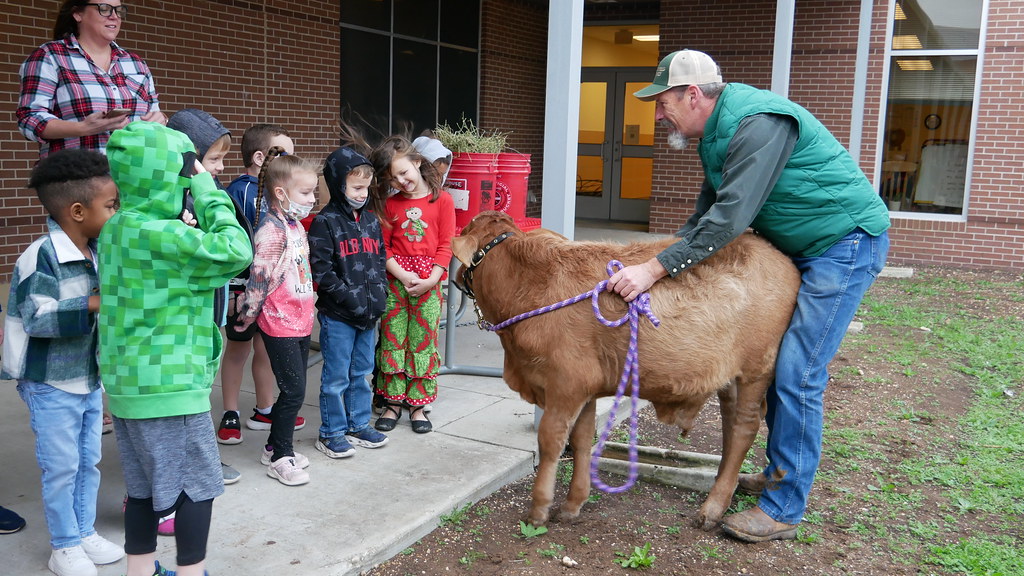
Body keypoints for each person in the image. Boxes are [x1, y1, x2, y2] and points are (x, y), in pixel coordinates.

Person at [608, 50, 891, 542]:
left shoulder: (758, 124)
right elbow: (704, 215)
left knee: (798, 372)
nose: (658, 114)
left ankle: (783, 507)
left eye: (664, 102)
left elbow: (729, 220)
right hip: (801, 245)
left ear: (693, 95)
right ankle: (783, 473)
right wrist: (659, 258)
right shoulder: (714, 133)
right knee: (783, 366)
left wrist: (654, 270)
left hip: (844, 244)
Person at [99, 121, 252, 576]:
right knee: (196, 486)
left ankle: (140, 569)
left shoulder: (117, 229)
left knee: (143, 488)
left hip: (128, 385)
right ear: (176, 176)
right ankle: (191, 572)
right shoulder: (170, 237)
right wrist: (207, 191)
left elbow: (174, 271)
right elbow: (235, 249)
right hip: (171, 384)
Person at [2, 148, 124, 576]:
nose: (116, 212)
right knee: (61, 466)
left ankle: (84, 531)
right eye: (111, 205)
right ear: (77, 210)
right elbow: (37, 317)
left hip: (87, 378)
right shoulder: (42, 255)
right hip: (50, 383)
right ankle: (64, 545)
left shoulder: (96, 250)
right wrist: (93, 303)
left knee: (87, 459)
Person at [235, 147, 319, 486]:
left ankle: (274, 446)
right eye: (306, 192)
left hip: (300, 318)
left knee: (294, 389)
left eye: (314, 191)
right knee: (295, 390)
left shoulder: (295, 225)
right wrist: (245, 317)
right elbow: (259, 278)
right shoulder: (271, 231)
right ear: (281, 193)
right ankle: (281, 456)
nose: (312, 198)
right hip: (279, 321)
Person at [220, 124, 305, 443]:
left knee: (265, 349)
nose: (291, 160)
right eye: (284, 153)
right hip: (244, 288)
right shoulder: (242, 191)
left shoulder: (275, 194)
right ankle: (230, 412)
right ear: (259, 157)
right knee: (238, 349)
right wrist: (231, 289)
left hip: (272, 289)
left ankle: (265, 408)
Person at [370, 136, 456, 434]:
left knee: (422, 342)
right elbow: (384, 249)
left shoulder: (441, 200)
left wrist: (432, 279)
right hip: (396, 282)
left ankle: (418, 404)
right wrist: (403, 276)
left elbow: (446, 245)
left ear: (417, 162)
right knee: (393, 340)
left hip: (429, 282)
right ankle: (393, 402)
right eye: (393, 177)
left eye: (404, 172)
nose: (401, 180)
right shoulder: (390, 204)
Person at [308, 147, 390, 458]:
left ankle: (358, 425)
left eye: (366, 187)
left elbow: (379, 259)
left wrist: (379, 295)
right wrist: (351, 299)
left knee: (362, 373)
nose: (363, 193)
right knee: (336, 377)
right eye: (356, 187)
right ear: (338, 184)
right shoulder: (324, 222)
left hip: (368, 314)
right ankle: (331, 432)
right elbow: (322, 271)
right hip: (339, 315)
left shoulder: (370, 220)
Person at [17, 0, 167, 159]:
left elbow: (154, 112)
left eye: (119, 10)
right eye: (105, 9)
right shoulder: (50, 57)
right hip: (76, 177)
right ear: (78, 14)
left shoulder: (136, 63)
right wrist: (82, 128)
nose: (114, 16)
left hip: (134, 177)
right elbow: (30, 118)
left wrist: (161, 119)